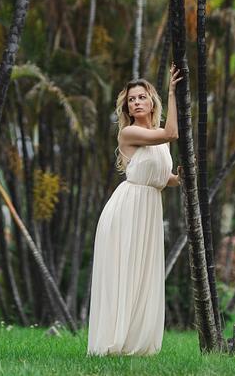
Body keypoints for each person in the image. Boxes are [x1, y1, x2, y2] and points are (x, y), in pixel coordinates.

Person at [87, 65, 182, 356]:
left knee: (142, 275)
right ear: (127, 107)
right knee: (124, 273)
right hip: (127, 210)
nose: (137, 102)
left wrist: (178, 179)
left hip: (149, 209)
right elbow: (172, 133)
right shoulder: (129, 132)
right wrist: (172, 91)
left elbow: (161, 177)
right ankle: (112, 340)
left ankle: (133, 341)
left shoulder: (154, 135)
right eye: (132, 99)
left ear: (151, 102)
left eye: (142, 97)